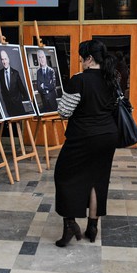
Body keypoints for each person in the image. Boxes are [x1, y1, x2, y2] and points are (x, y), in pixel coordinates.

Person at [53, 39, 119, 247]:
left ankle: (70, 224)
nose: (80, 61)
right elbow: (118, 105)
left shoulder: (79, 80)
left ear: (89, 59)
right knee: (97, 180)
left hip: (82, 137)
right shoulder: (112, 79)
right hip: (107, 136)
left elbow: (64, 111)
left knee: (64, 176)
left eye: (82, 58)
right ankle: (93, 226)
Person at [0, 49, 29, 117]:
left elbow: (22, 89)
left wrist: (27, 103)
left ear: (8, 59)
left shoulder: (15, 73)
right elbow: (2, 89)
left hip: (18, 105)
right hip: (9, 106)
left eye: (5, 59)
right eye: (2, 59)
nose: (4, 61)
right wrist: (5, 101)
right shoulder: (0, 73)